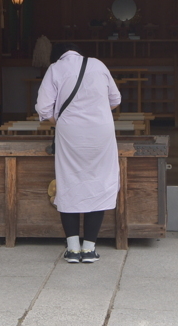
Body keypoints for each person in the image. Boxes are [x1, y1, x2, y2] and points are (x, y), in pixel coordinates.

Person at [35, 42, 121, 263]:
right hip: (101, 132)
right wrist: (95, 111)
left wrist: (64, 120)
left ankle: (73, 249)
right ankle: (90, 248)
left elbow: (43, 109)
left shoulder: (55, 69)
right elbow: (115, 100)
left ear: (57, 56)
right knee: (98, 182)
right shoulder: (98, 65)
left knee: (69, 182)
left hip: (70, 133)